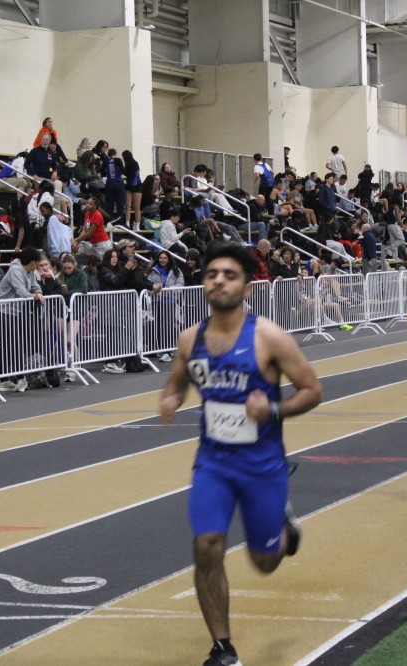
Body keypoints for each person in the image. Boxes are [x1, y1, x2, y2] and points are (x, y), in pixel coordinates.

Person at [158, 242, 322, 666]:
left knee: (264, 562)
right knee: (207, 544)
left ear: (247, 287)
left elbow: (312, 390)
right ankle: (222, 649)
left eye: (229, 275)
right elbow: (177, 383)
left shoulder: (270, 337)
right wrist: (171, 399)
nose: (219, 281)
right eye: (212, 274)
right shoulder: (190, 339)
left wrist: (274, 409)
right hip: (213, 463)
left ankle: (284, 529)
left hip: (262, 465)